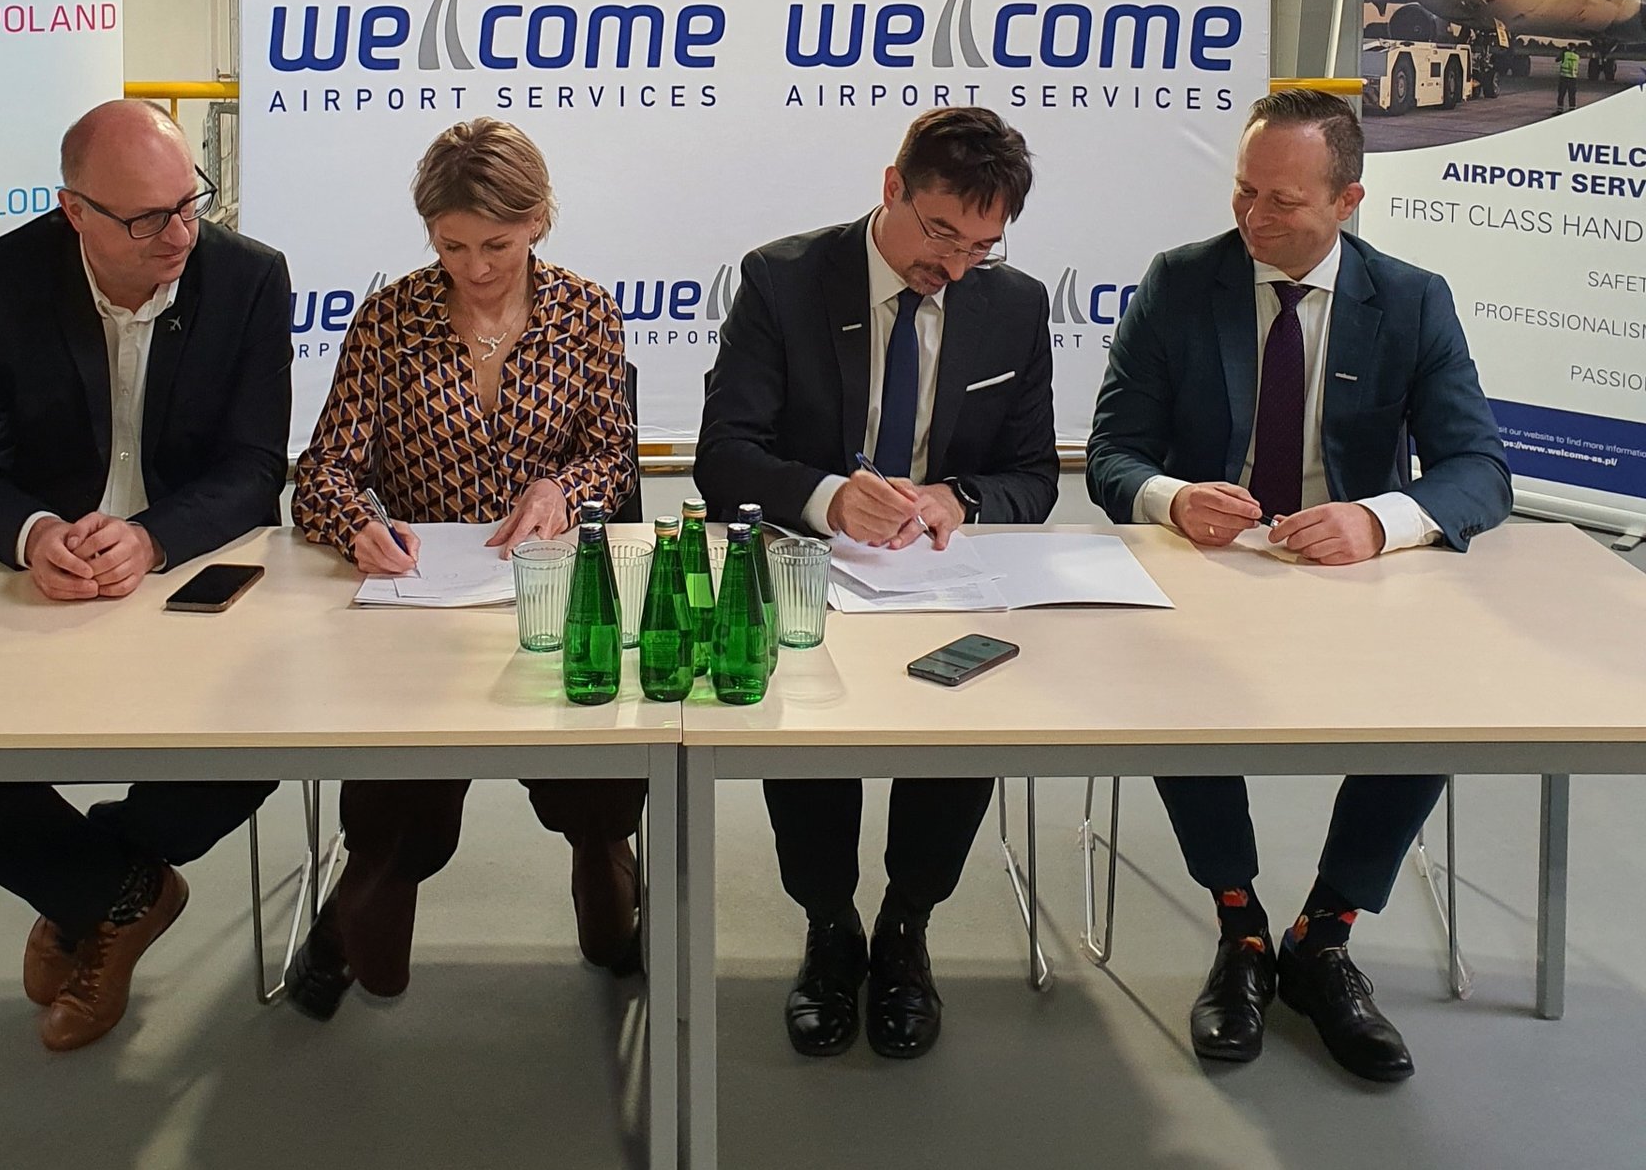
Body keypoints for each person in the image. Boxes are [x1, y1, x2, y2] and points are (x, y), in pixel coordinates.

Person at [1086, 87, 1511, 1083]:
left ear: (1347, 201)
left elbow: (1479, 468)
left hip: (1354, 576)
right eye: (1244, 190)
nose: (1254, 216)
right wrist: (1171, 497)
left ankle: (1324, 934)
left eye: (1282, 200)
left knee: (1433, 702)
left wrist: (1378, 518)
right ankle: (1239, 925)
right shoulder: (1180, 283)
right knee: (1173, 684)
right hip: (1209, 568)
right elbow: (1112, 453)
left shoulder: (1411, 299)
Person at [0, 99, 292, 1052]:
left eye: (189, 202)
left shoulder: (248, 277)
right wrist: (33, 535)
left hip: (190, 576)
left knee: (265, 736)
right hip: (35, 590)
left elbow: (253, 468)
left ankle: (92, 887)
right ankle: (117, 891)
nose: (179, 234)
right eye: (146, 219)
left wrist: (150, 539)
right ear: (75, 212)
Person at [697, 105, 1057, 1061]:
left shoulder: (1014, 305)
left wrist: (956, 497)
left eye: (983, 246)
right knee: (806, 721)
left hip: (943, 577)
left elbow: (1033, 476)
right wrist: (825, 498)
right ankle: (829, 923)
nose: (957, 266)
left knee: (966, 720)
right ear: (892, 187)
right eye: (942, 233)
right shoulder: (784, 281)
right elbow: (724, 456)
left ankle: (907, 923)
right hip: (812, 572)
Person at [288, 118, 641, 1019]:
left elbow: (612, 454)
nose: (475, 268)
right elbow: (322, 472)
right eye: (452, 246)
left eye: (497, 244)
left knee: (599, 788)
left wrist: (561, 488)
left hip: (552, 596)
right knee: (397, 808)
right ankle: (355, 909)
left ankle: (605, 862)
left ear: (538, 220)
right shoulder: (390, 320)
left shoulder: (586, 313)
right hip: (420, 606)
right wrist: (359, 525)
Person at [1556, 44, 1579, 113]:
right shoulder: (1577, 56)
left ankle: (1560, 109)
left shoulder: (1565, 54)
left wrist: (1563, 52)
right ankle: (1572, 108)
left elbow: (1557, 60)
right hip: (1573, 78)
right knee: (1572, 94)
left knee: (1561, 94)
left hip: (1564, 77)